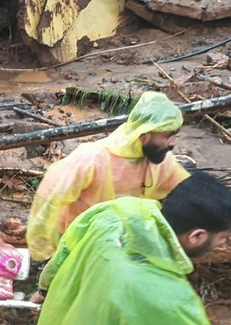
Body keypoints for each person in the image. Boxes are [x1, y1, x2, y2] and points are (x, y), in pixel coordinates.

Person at [24, 172, 231, 325]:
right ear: (197, 236)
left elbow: (66, 248)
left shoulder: (116, 212)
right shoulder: (164, 294)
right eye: (222, 238)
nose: (222, 244)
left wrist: (44, 288)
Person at [27, 91, 189, 263]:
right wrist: (45, 252)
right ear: (145, 134)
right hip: (78, 242)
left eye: (175, 135)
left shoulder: (160, 162)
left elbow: (184, 189)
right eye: (167, 136)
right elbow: (50, 198)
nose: (173, 143)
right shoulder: (91, 159)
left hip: (121, 242)